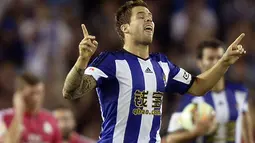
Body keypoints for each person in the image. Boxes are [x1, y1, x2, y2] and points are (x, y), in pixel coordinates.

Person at [62, 0, 246, 142]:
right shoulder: (111, 61)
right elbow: (71, 91)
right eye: (141, 16)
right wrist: (83, 59)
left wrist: (225, 62)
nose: (149, 19)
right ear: (125, 28)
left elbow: (199, 86)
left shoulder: (162, 64)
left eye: (150, 16)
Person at [166, 40, 248, 143]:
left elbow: (248, 136)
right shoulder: (190, 99)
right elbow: (170, 139)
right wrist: (195, 132)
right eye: (210, 58)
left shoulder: (239, 93)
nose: (216, 62)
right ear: (199, 62)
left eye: (220, 58)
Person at [0, 72, 61, 143]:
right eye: (31, 93)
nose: (36, 98)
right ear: (19, 94)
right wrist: (19, 113)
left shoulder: (51, 118)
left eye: (39, 93)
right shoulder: (4, 117)